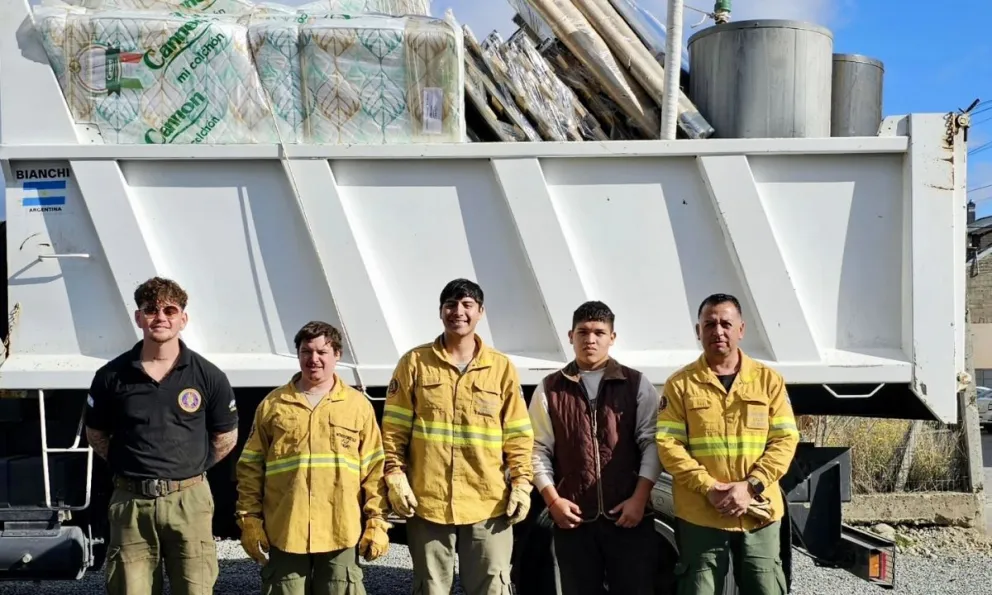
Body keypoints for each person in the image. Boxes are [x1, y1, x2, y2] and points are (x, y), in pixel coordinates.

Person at [84, 277, 239, 595]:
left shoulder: (208, 375)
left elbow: (226, 435)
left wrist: (190, 469)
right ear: (138, 317)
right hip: (131, 504)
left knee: (195, 589)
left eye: (170, 310)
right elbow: (96, 433)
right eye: (151, 309)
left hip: (189, 502)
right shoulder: (111, 376)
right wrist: (131, 465)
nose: (161, 317)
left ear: (183, 318)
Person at [381, 278, 534, 595]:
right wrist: (394, 474)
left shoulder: (501, 368)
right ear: (441, 312)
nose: (458, 312)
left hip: (488, 502)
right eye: (450, 305)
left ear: (481, 312)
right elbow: (394, 430)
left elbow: (518, 435)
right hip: (428, 502)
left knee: (492, 587)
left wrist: (522, 483)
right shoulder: (414, 363)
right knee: (431, 588)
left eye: (467, 305)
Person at [656, 293, 800, 595]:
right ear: (698, 331)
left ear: (741, 329)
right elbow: (668, 445)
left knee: (765, 588)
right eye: (709, 324)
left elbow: (785, 440)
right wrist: (709, 487)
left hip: (758, 511)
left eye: (726, 324)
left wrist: (750, 487)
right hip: (700, 513)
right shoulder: (680, 384)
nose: (718, 331)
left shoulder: (768, 381)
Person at [234, 321, 390, 595]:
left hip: (340, 530)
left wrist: (377, 521)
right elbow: (250, 468)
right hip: (286, 530)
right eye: (306, 351)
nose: (313, 359)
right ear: (298, 354)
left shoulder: (357, 406)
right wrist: (249, 519)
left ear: (337, 355)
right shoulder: (273, 405)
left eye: (322, 352)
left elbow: (374, 470)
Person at [528, 301, 662, 595]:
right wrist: (554, 502)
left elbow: (651, 444)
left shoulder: (637, 384)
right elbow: (537, 451)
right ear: (570, 336)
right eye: (583, 332)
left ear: (612, 337)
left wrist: (639, 499)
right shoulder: (549, 389)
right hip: (575, 521)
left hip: (629, 517)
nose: (590, 339)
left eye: (599, 333)